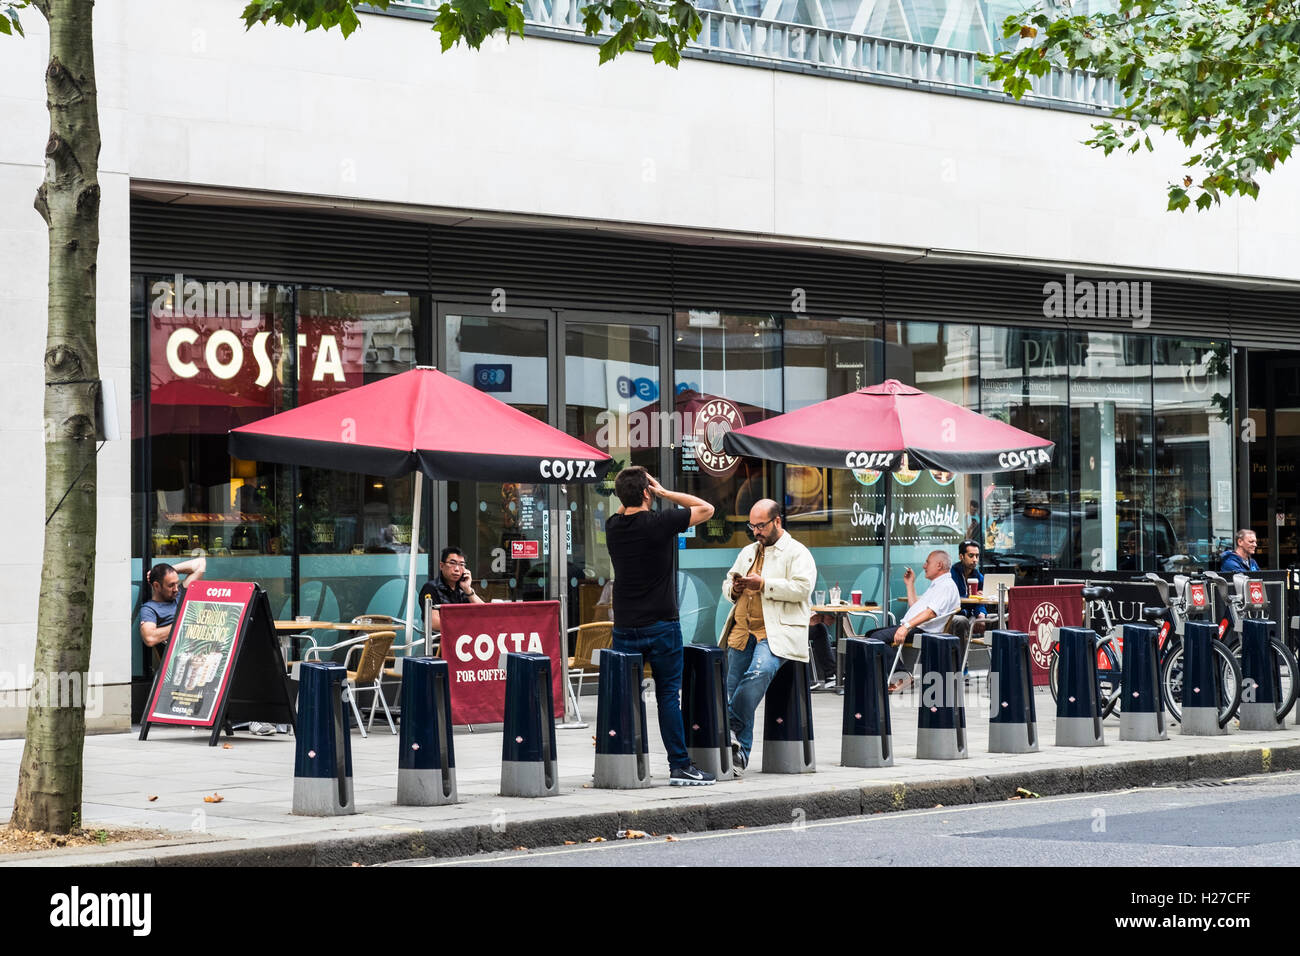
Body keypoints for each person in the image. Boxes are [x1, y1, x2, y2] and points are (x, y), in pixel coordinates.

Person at [605, 466, 717, 786]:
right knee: (668, 696)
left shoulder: (613, 526)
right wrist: (664, 493)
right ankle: (679, 766)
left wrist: (633, 491)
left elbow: (622, 506)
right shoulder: (659, 522)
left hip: (625, 627)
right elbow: (706, 508)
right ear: (647, 493)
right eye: (649, 491)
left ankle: (622, 762)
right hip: (662, 626)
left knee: (627, 696)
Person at [718, 499, 816, 772]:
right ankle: (740, 757)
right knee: (732, 690)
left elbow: (802, 589)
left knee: (759, 674)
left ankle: (731, 727)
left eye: (761, 526)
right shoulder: (748, 551)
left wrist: (764, 585)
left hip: (775, 632)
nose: (756, 531)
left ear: (777, 522)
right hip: (741, 631)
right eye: (752, 526)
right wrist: (735, 588)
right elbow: (727, 582)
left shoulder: (798, 553)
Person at [867, 550, 960, 692]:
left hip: (924, 630)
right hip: (917, 627)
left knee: (876, 638)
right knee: (870, 635)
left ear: (939, 565)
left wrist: (906, 627)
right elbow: (916, 607)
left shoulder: (946, 585)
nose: (924, 566)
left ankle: (902, 677)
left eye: (927, 562)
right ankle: (886, 678)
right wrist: (910, 584)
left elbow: (930, 613)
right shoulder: (938, 584)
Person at [139, 556, 207, 648]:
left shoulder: (179, 594)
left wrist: (168, 571)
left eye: (176, 583)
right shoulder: (149, 609)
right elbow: (150, 638)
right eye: (171, 585)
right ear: (156, 586)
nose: (176, 589)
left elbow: (200, 563)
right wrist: (184, 623)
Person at [419, 546, 485, 633]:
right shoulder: (431, 588)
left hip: (463, 640)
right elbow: (434, 623)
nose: (457, 569)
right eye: (452, 563)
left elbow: (484, 612)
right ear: (441, 566)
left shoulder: (462, 589)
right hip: (440, 643)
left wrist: (467, 589)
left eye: (461, 565)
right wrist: (467, 625)